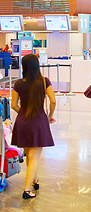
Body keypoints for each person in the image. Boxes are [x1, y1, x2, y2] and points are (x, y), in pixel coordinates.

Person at [11, 54, 56, 199]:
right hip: (38, 122)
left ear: (23, 67)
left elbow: (13, 105)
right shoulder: (44, 82)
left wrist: (23, 113)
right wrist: (49, 115)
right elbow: (53, 101)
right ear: (37, 65)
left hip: (22, 122)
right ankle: (27, 189)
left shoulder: (18, 83)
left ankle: (35, 180)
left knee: (29, 155)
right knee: (34, 156)